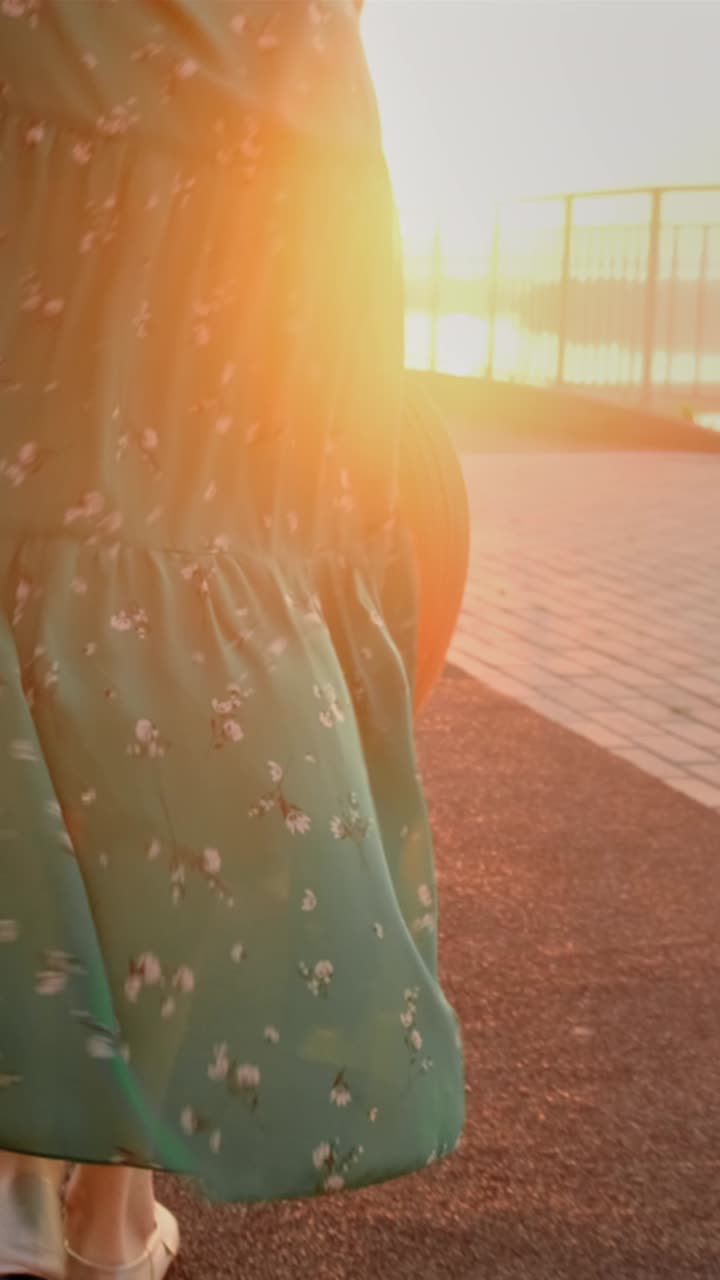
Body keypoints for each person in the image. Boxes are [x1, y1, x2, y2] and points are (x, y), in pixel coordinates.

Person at [0, 2, 467, 1277]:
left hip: (65, 85)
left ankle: (36, 1188)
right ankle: (91, 1203)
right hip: (257, 121)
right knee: (153, 651)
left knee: (51, 568)